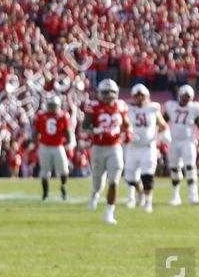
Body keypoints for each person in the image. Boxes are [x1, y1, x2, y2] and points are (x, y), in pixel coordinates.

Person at [84, 78, 129, 226]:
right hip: (98, 147)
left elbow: (126, 124)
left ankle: (109, 213)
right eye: (106, 93)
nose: (109, 96)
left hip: (114, 146)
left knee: (114, 181)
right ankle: (94, 194)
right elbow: (84, 128)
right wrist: (98, 130)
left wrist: (127, 131)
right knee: (97, 180)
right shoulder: (93, 106)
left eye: (111, 93)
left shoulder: (121, 106)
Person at [123, 84, 167, 213]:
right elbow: (122, 125)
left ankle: (148, 202)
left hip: (148, 147)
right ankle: (139, 191)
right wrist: (126, 134)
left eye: (142, 96)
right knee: (130, 177)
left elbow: (163, 124)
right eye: (137, 96)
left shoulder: (153, 109)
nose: (140, 99)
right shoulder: (127, 109)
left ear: (147, 96)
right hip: (132, 147)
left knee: (147, 175)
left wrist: (165, 135)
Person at [164, 85, 199, 205]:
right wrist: (160, 132)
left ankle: (193, 196)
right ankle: (175, 196)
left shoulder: (194, 108)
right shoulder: (171, 106)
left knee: (190, 167)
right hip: (173, 141)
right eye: (184, 96)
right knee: (174, 168)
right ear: (179, 95)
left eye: (188, 97)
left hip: (188, 141)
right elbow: (163, 121)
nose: (186, 99)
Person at [33, 94, 73, 202]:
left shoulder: (63, 115)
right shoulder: (41, 115)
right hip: (44, 146)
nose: (52, 107)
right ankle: (45, 193)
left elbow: (66, 130)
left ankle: (63, 186)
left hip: (58, 146)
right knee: (45, 172)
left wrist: (68, 140)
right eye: (50, 105)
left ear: (58, 105)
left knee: (64, 170)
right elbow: (36, 131)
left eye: (54, 105)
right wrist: (34, 141)